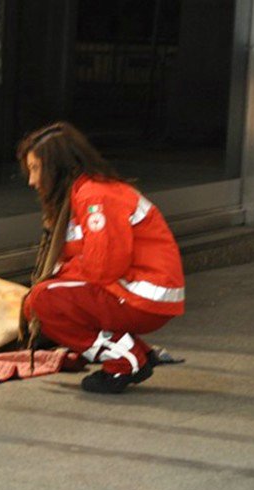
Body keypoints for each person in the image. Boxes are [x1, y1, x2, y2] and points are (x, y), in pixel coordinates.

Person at [18, 122, 185, 393]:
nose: (32, 181)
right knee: (46, 295)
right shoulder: (88, 191)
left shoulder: (95, 196)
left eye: (36, 169)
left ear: (57, 166)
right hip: (143, 290)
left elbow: (104, 266)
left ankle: (125, 361)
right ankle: (137, 350)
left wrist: (52, 288)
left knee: (42, 301)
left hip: (142, 294)